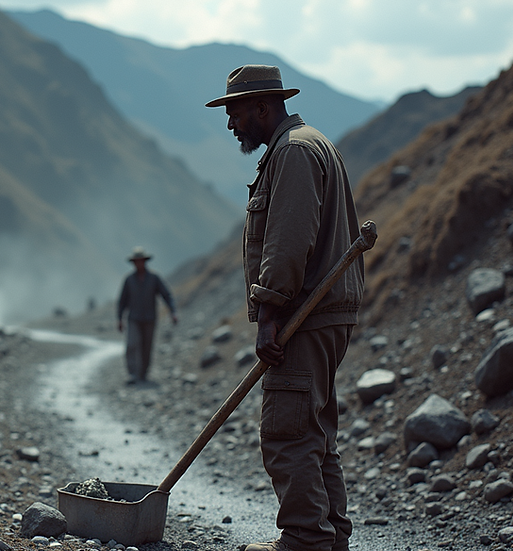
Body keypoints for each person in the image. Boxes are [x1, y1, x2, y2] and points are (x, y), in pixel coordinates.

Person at [205, 65, 364, 551]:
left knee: (287, 430)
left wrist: (270, 315)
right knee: (314, 432)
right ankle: (329, 538)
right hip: (325, 313)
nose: (230, 124)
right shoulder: (310, 143)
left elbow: (289, 243)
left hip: (304, 316)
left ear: (260, 107)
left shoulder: (292, 152)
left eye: (233, 112)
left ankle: (303, 540)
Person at [116, 247, 178, 384]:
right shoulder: (129, 280)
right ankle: (132, 373)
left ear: (145, 261)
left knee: (146, 347)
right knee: (131, 344)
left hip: (150, 318)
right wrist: (120, 319)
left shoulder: (154, 278)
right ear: (133, 263)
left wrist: (172, 312)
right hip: (133, 318)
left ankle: (143, 373)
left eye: (141, 261)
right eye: (136, 261)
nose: (138, 264)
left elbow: (166, 295)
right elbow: (122, 301)